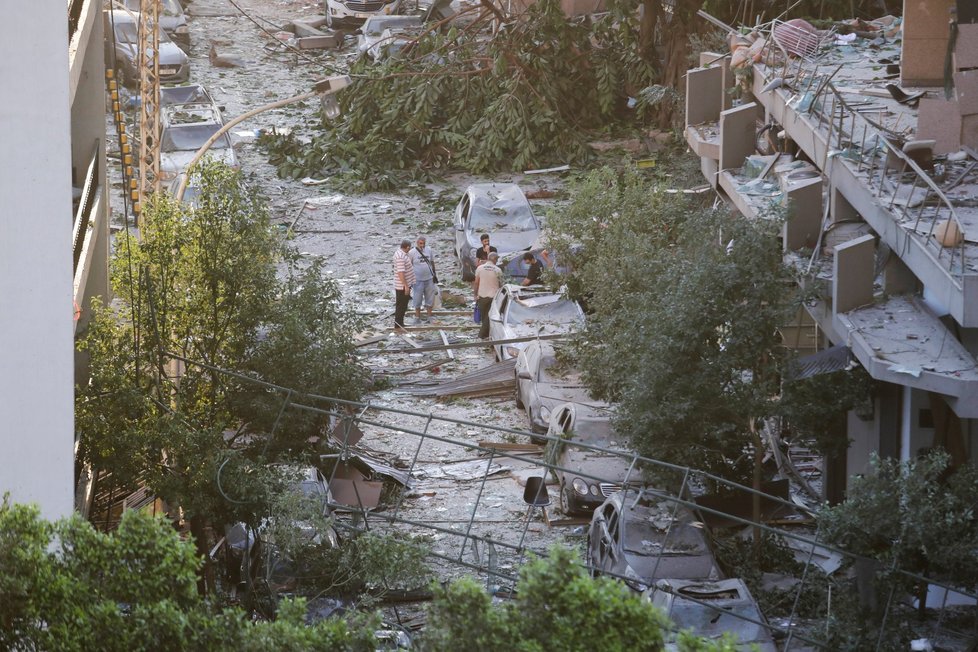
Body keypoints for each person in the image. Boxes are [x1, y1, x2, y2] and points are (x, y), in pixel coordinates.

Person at [473, 251, 502, 339]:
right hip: (493, 297)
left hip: (482, 296)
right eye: (497, 259)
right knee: (489, 318)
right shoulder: (498, 270)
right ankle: (482, 336)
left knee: (484, 317)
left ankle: (486, 335)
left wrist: (475, 295)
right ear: (495, 260)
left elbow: (476, 283)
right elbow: (501, 285)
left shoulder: (480, 268)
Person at [408, 236, 437, 323]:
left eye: (424, 243)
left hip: (429, 278)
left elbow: (432, 262)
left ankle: (429, 316)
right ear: (417, 243)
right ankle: (417, 317)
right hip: (417, 279)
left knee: (430, 298)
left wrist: (434, 274)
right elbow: (409, 265)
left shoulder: (429, 250)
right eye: (420, 243)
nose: (422, 245)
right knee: (417, 298)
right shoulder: (412, 252)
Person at [393, 239, 415, 331]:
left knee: (403, 304)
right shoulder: (400, 257)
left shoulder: (402, 254)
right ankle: (398, 324)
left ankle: (400, 322)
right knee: (401, 305)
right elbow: (400, 272)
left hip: (405, 284)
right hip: (401, 286)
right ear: (407, 247)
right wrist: (405, 286)